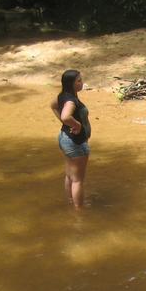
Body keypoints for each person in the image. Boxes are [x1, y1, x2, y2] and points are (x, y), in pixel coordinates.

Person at [50, 69, 91, 209]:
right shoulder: (71, 101)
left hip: (65, 138)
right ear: (71, 84)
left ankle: (70, 202)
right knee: (78, 180)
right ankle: (79, 211)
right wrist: (76, 124)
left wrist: (66, 124)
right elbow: (65, 116)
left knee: (70, 175)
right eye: (79, 81)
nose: (82, 82)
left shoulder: (63, 95)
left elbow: (53, 106)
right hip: (75, 143)